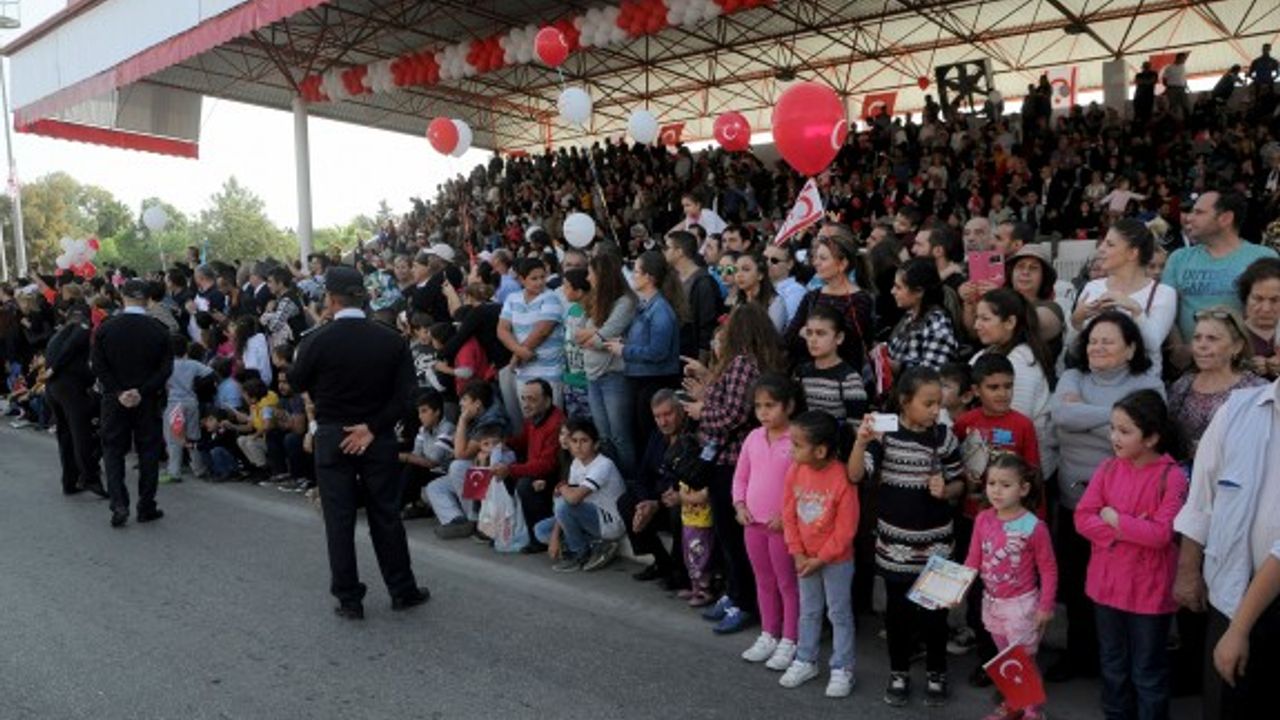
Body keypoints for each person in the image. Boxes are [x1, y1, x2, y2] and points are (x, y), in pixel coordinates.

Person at [287, 266, 428, 619]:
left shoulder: (315, 340)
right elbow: (408, 397)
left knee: (339, 519)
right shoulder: (391, 339)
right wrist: (371, 426)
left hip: (333, 435)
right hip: (377, 437)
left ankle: (349, 599)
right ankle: (402, 590)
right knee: (386, 514)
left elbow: (296, 379)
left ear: (331, 300)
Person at [1049, 311, 1165, 681]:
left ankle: (1116, 663)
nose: (1097, 346)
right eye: (1093, 340)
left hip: (1125, 510)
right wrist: (1120, 422)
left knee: (1119, 586)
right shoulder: (1072, 375)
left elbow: (1144, 440)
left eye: (1108, 340)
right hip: (1074, 502)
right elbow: (1062, 418)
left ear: (1131, 348)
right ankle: (1079, 654)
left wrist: (1087, 418)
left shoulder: (1147, 381)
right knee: (1078, 582)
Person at [848, 367, 966, 708]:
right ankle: (898, 671)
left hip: (938, 542)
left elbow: (960, 483)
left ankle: (936, 672)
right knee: (897, 614)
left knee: (935, 616)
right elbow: (855, 474)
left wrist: (947, 489)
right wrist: (860, 441)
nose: (935, 411)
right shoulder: (885, 430)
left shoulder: (943, 436)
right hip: (896, 544)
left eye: (938, 404)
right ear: (904, 401)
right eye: (928, 403)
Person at [1075, 390, 1187, 720]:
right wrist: (1132, 529)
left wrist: (1114, 520)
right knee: (1112, 664)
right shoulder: (1109, 468)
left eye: (1125, 431)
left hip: (1149, 594)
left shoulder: (1173, 476)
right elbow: (1082, 517)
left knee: (1147, 670)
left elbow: (1162, 534)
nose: (1114, 437)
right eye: (1113, 428)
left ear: (1151, 437)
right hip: (1106, 586)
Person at [1174, 370, 1280, 720]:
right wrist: (1188, 570)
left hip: (1262, 603)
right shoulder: (1236, 410)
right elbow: (1201, 498)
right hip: (1228, 592)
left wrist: (1239, 630)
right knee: (1224, 704)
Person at [684, 303, 786, 635]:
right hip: (729, 458)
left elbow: (733, 414)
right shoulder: (746, 363)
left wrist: (701, 412)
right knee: (730, 539)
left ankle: (744, 601)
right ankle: (735, 593)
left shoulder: (744, 364)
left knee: (734, 538)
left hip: (730, 459)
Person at [964, 453, 1057, 720]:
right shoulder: (983, 518)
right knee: (1006, 659)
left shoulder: (1033, 527)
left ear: (1023, 489)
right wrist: (955, 589)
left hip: (1022, 606)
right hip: (991, 602)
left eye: (1006, 485)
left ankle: (1032, 711)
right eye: (992, 483)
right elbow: (973, 559)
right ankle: (1014, 703)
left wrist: (1045, 606)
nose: (996, 490)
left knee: (1023, 660)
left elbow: (1048, 569)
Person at [778, 411, 860, 698]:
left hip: (835, 561)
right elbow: (788, 514)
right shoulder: (794, 471)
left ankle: (842, 667)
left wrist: (820, 558)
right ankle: (805, 659)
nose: (792, 450)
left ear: (821, 450)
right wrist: (797, 552)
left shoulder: (841, 477)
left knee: (838, 613)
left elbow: (846, 529)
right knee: (809, 611)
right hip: (804, 559)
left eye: (798, 445)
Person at [91, 279, 174, 528]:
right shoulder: (158, 329)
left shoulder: (107, 328)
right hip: (147, 400)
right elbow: (165, 369)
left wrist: (118, 391)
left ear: (121, 297)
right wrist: (142, 390)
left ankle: (119, 504)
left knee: (113, 451)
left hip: (114, 401)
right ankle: (146, 505)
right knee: (148, 452)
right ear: (148, 299)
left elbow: (98, 366)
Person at [735, 375, 801, 673]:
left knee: (787, 583)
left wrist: (788, 517)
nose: (763, 412)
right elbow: (741, 476)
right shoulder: (753, 438)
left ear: (789, 406)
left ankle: (790, 639)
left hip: (783, 528)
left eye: (770, 405)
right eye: (759, 406)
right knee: (764, 581)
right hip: (753, 524)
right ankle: (769, 633)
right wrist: (739, 505)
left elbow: (803, 485)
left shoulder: (797, 441)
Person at [1162, 191, 1277, 355]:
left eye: (1199, 212)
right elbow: (1167, 312)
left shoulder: (1262, 257)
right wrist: (1179, 349)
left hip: (1247, 363)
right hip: (1188, 364)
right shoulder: (1178, 258)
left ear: (1225, 218)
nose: (1189, 218)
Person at [971, 288, 1057, 478]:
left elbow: (1013, 424)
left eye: (985, 319)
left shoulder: (1021, 361)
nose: (976, 325)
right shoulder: (990, 351)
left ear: (1010, 322)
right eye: (977, 318)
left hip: (1022, 472)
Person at [1072, 218, 1176, 373]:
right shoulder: (1092, 286)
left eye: (1110, 244)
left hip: (1140, 389)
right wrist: (1077, 318)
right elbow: (1082, 337)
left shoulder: (1163, 293)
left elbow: (1153, 344)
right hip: (1095, 381)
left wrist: (1134, 309)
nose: (1101, 249)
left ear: (1132, 253)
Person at [606, 250, 683, 459]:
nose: (632, 276)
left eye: (636, 271)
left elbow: (658, 351)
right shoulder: (645, 305)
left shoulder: (660, 310)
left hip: (654, 380)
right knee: (640, 434)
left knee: (652, 436)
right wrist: (626, 343)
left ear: (649, 277)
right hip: (640, 378)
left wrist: (624, 350)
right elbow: (645, 341)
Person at [1167, 307, 1267, 457]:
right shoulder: (1182, 386)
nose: (1202, 345)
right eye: (1197, 337)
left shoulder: (1256, 390)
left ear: (1237, 346)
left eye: (1212, 338)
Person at [578, 253, 637, 476]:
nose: (587, 277)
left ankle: (630, 482)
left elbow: (602, 338)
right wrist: (595, 335)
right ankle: (611, 480)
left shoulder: (625, 302)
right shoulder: (595, 301)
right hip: (593, 377)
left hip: (614, 376)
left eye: (591, 273)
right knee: (603, 437)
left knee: (620, 436)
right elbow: (577, 334)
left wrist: (594, 336)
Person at [783, 232, 875, 370]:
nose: (816, 263)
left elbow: (845, 344)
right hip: (807, 372)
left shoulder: (859, 299)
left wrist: (806, 332)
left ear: (842, 263)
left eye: (823, 258)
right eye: (816, 257)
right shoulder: (812, 296)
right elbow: (789, 338)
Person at [492, 378, 565, 551]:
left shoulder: (556, 423)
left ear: (547, 401)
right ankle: (508, 530)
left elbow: (547, 465)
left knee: (525, 485)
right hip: (537, 469)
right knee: (502, 475)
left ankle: (538, 539)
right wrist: (504, 443)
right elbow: (523, 441)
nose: (526, 404)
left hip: (553, 477)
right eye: (523, 399)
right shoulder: (534, 417)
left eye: (532, 399)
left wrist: (511, 469)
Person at [42, 304, 106, 498]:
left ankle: (69, 481)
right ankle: (90, 478)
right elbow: (73, 345)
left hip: (53, 390)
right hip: (69, 390)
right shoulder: (81, 329)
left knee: (65, 435)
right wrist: (54, 367)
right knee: (81, 434)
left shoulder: (57, 335)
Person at [497, 257, 565, 429]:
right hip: (524, 371)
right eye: (534, 278)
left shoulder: (551, 297)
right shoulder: (512, 298)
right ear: (522, 279)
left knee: (552, 424)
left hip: (549, 371)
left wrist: (516, 356)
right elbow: (502, 330)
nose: (540, 282)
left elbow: (542, 331)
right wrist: (519, 351)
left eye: (543, 277)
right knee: (530, 422)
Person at [552, 417, 627, 572]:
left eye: (584, 441)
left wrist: (561, 487)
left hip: (611, 522)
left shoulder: (603, 465)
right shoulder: (576, 463)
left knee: (562, 506)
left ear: (596, 444)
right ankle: (597, 544)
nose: (578, 446)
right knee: (542, 530)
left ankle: (579, 553)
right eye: (574, 441)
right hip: (590, 515)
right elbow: (569, 497)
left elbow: (572, 499)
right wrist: (554, 537)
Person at [885, 258, 960, 372]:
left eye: (898, 287)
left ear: (919, 291)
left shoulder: (937, 323)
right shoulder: (910, 316)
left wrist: (898, 367)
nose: (892, 291)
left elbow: (933, 373)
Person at [664, 230, 723, 361]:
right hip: (672, 351)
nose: (664, 251)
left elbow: (707, 325)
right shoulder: (671, 278)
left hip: (691, 354)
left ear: (679, 252)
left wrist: (702, 359)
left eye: (667, 247)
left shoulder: (704, 282)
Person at [161, 334, 213, 483]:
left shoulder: (167, 365)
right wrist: (196, 386)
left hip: (173, 404)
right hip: (191, 402)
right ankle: (199, 469)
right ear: (186, 348)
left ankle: (174, 471)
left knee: (173, 438)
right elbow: (210, 374)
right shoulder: (193, 364)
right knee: (193, 436)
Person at [1236, 258, 1280, 378]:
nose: (1266, 308)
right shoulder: (1231, 333)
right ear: (1246, 297)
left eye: (1275, 300)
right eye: (1258, 299)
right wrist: (1244, 365)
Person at [728, 252, 787, 332]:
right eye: (736, 270)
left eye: (746, 269)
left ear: (760, 275)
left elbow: (771, 336)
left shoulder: (775, 302)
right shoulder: (738, 302)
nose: (739, 275)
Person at [764, 242, 806, 325]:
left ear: (789, 264)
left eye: (774, 260)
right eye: (765, 259)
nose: (768, 263)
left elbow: (788, 326)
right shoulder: (760, 286)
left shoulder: (796, 292)